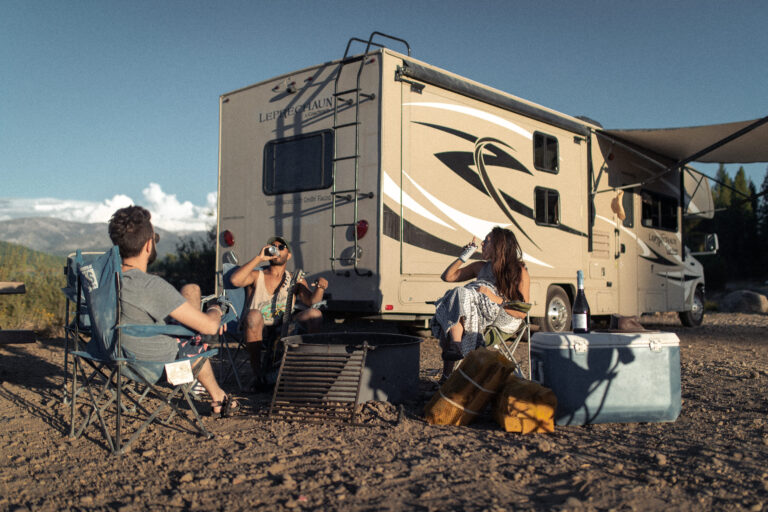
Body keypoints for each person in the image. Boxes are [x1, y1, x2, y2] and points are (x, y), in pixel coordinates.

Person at [108, 205, 239, 417]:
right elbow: (210, 326)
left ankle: (209, 391)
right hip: (155, 367)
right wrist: (216, 308)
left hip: (114, 357)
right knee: (195, 343)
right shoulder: (151, 286)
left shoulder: (107, 282)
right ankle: (218, 398)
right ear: (149, 245)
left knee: (190, 293)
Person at [229, 235, 328, 391]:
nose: (276, 250)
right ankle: (258, 376)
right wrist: (259, 258)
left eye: (281, 247)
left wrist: (321, 288)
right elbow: (234, 280)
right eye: (273, 247)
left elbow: (311, 302)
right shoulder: (257, 275)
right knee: (253, 316)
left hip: (285, 325)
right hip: (259, 327)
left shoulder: (295, 278)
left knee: (315, 314)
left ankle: (309, 370)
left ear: (288, 255)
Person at [431, 226, 531, 381]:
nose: (482, 244)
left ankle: (455, 348)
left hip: (503, 318)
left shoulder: (519, 271)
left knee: (459, 295)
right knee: (455, 302)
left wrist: (490, 295)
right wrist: (465, 255)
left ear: (499, 246)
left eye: (487, 241)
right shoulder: (480, 267)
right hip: (476, 313)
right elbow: (448, 277)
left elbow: (521, 312)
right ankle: (449, 369)